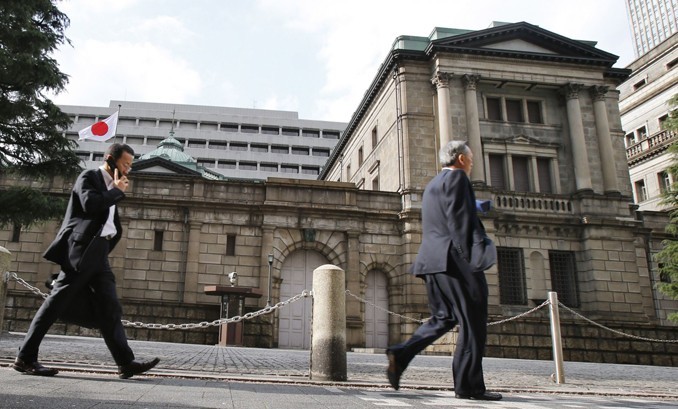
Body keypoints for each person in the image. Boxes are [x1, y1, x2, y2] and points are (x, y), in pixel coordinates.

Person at [13, 143, 160, 379]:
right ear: (110, 160)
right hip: (82, 251)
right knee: (55, 303)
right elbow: (90, 205)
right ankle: (25, 357)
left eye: (130, 166)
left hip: (99, 253)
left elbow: (108, 223)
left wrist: (114, 194)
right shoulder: (89, 177)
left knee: (110, 305)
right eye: (125, 164)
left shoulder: (112, 186)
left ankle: (125, 362)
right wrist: (116, 192)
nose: (128, 170)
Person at [386, 140, 501, 401]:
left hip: (431, 262)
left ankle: (400, 354)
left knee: (443, 318)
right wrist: (473, 259)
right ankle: (469, 387)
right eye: (471, 159)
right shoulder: (459, 178)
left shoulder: (433, 185)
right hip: (455, 263)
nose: (472, 164)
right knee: (473, 324)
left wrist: (479, 206)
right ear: (461, 158)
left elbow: (453, 209)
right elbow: (458, 222)